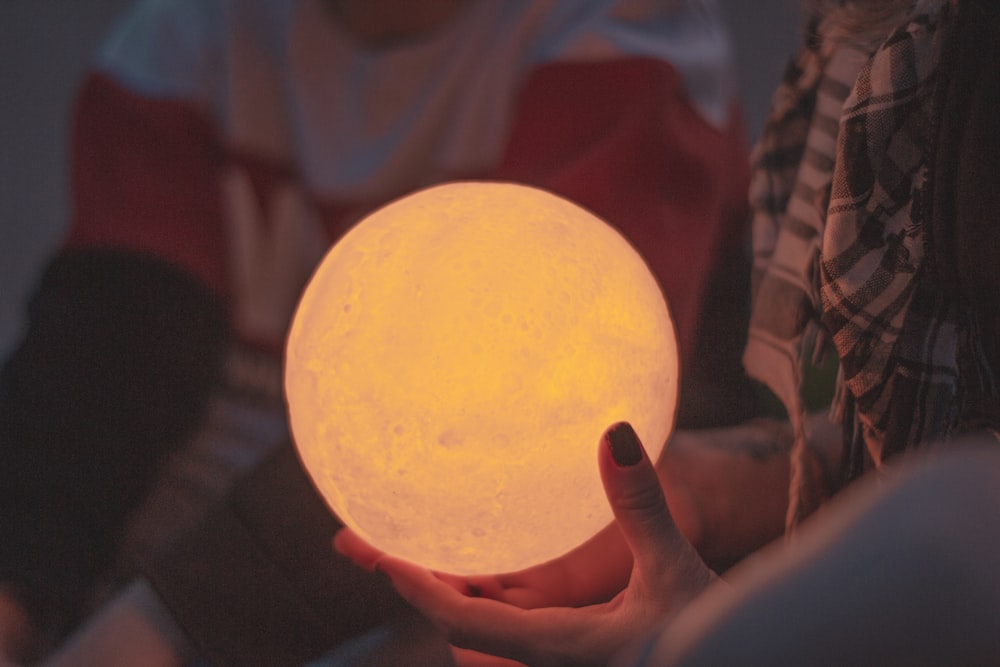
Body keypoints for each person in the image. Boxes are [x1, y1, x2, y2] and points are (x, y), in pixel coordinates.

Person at [0, 0, 762, 663]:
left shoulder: (622, 35)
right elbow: (98, 366)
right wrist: (18, 590)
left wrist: (158, 626)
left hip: (485, 565)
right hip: (205, 521)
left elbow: (512, 447)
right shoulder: (184, 37)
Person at [334, 0, 1000, 664]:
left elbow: (961, 505)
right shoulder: (883, 38)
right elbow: (948, 426)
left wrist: (695, 650)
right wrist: (708, 489)